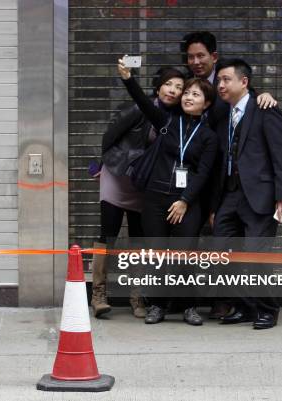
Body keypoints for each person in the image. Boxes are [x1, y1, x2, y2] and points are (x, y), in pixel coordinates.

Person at [118, 58, 219, 326]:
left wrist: (185, 201)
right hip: (155, 198)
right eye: (186, 92)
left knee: (184, 255)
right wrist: (128, 78)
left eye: (195, 94)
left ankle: (189, 306)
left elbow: (204, 173)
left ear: (206, 103)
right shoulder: (168, 122)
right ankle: (158, 305)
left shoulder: (209, 136)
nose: (187, 97)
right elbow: (142, 102)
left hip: (187, 202)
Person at [91, 68, 186, 319]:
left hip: (143, 183)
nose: (173, 90)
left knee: (138, 239)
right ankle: (98, 294)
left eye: (178, 87)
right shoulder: (138, 109)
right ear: (158, 88)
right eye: (169, 84)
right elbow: (108, 138)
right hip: (117, 175)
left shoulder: (175, 119)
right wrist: (105, 165)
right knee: (108, 233)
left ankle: (137, 295)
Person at [210, 58, 282, 330]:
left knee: (257, 257)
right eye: (219, 80)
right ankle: (245, 307)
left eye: (226, 80)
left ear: (243, 82)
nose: (220, 85)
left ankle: (267, 309)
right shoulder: (224, 113)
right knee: (222, 254)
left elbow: (281, 154)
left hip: (260, 195)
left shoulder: (265, 108)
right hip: (229, 195)